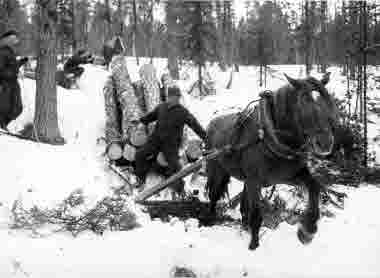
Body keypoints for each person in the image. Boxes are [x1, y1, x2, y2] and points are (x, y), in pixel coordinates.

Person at [135, 86, 207, 193]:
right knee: (140, 155)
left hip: (170, 145)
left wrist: (206, 137)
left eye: (177, 97)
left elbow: (195, 125)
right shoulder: (161, 107)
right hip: (155, 140)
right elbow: (150, 116)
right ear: (169, 97)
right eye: (173, 97)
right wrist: (142, 122)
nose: (175, 99)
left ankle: (180, 191)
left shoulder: (183, 112)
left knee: (176, 168)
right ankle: (141, 180)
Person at [0, 30, 28, 130]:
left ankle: (3, 125)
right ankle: (2, 125)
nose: (16, 40)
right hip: (5, 84)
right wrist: (11, 74)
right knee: (4, 107)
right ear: (7, 39)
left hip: (13, 83)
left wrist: (21, 62)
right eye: (14, 38)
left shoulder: (10, 51)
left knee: (18, 108)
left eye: (16, 38)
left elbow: (11, 66)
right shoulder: (2, 51)